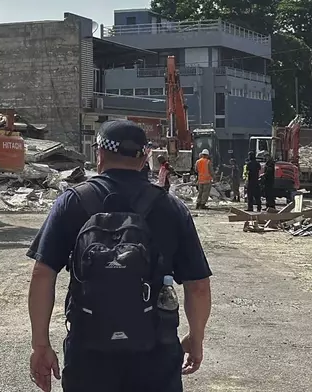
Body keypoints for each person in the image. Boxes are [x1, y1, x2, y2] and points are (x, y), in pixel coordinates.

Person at [27, 120, 212, 392]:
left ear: (99, 153)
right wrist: (196, 337)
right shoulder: (170, 207)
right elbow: (197, 286)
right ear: (144, 156)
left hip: (89, 353)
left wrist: (40, 345)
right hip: (155, 354)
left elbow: (43, 274)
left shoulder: (73, 202)